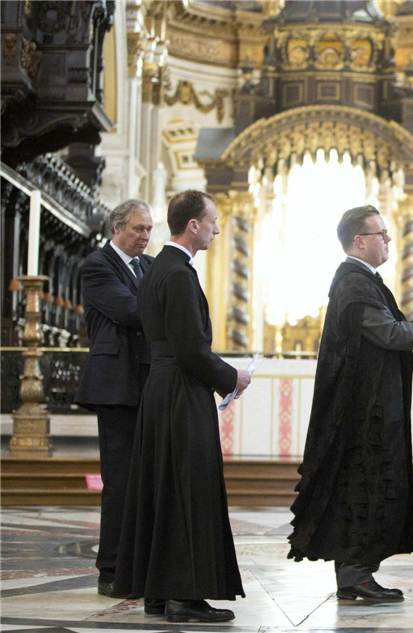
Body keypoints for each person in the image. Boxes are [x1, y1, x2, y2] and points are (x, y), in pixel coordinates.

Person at [286, 205, 413, 602]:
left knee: (367, 485)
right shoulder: (353, 283)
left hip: (369, 406)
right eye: (381, 233)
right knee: (362, 486)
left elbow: (384, 333)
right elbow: (384, 334)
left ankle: (356, 575)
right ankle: (355, 575)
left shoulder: (362, 281)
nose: (388, 239)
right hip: (362, 413)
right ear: (358, 241)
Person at [113, 190, 251, 623]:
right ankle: (184, 597)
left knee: (161, 486)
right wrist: (232, 378)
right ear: (193, 225)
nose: (215, 228)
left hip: (162, 388)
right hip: (180, 392)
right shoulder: (177, 273)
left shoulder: (158, 269)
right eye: (212, 221)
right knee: (186, 488)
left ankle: (158, 592)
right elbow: (191, 348)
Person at [75, 199, 154, 597]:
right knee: (120, 481)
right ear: (117, 228)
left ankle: (141, 564)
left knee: (147, 480)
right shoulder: (97, 265)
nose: (144, 236)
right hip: (116, 385)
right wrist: (168, 308)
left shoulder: (151, 266)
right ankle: (112, 570)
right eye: (138, 229)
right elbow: (128, 311)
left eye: (149, 230)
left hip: (149, 382)